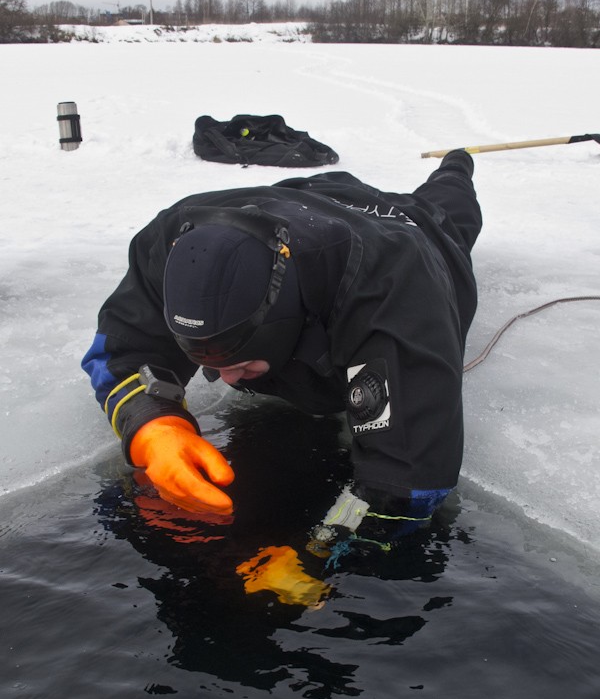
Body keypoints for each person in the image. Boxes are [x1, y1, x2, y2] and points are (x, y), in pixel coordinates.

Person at [82, 150, 482, 551]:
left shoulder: (396, 298)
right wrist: (154, 426)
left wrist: (316, 553)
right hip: (313, 197)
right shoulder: (172, 243)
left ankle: (456, 163)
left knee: (450, 204)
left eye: (239, 363)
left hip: (419, 228)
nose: (227, 380)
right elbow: (123, 349)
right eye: (209, 363)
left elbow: (406, 483)